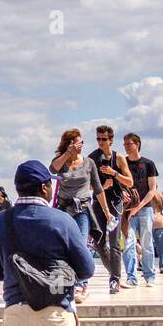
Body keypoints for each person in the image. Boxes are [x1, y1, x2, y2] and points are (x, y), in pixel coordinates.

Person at [0, 160, 95, 326]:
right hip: (56, 312)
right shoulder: (62, 220)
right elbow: (87, 269)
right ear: (44, 187)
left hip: (16, 313)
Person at [48, 129, 112, 303]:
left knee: (81, 245)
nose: (81, 145)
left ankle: (81, 284)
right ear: (69, 144)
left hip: (82, 209)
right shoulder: (60, 161)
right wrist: (68, 153)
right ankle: (62, 282)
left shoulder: (89, 162)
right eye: (77, 142)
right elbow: (52, 169)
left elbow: (98, 188)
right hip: (63, 209)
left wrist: (106, 211)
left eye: (82, 142)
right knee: (62, 247)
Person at [88, 124, 133, 293]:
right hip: (99, 204)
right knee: (98, 243)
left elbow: (130, 182)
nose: (100, 142)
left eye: (104, 139)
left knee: (114, 243)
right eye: (98, 139)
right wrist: (101, 187)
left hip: (115, 204)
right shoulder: (92, 158)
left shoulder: (119, 158)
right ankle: (114, 272)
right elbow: (87, 186)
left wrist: (114, 173)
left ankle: (114, 279)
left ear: (111, 140)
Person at [122, 133, 159, 287]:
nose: (126, 146)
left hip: (144, 209)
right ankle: (131, 277)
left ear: (137, 144)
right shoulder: (122, 163)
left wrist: (138, 207)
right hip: (126, 210)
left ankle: (149, 275)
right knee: (128, 243)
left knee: (147, 243)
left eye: (128, 143)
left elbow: (152, 190)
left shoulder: (148, 164)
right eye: (124, 144)